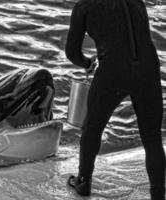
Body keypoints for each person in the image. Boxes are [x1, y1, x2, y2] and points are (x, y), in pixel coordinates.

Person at [65, 0, 166, 199]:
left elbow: (72, 53)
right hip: (147, 66)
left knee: (92, 127)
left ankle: (83, 182)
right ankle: (158, 194)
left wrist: (86, 63)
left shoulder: (84, 6)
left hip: (113, 69)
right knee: (152, 137)